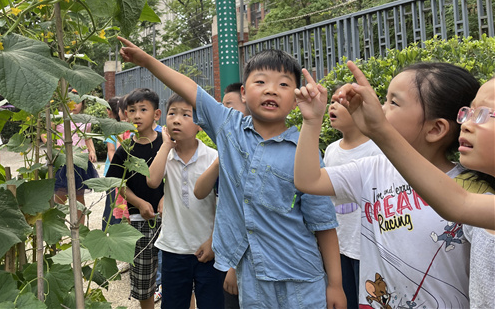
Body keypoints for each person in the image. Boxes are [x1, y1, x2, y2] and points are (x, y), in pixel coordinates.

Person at [117, 36, 346, 309]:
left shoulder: (305, 150)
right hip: (253, 280)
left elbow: (323, 222)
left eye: (284, 84)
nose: (271, 90)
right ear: (244, 94)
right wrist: (147, 61)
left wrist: (335, 284)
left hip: (301, 279)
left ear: (296, 98)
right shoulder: (229, 128)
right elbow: (191, 89)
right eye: (260, 82)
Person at [294, 63, 480, 308]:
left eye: (393, 103)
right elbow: (308, 179)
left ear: (436, 129)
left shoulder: (473, 191)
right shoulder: (373, 169)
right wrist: (311, 121)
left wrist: (378, 129)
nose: (380, 109)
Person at [147, 93, 224, 308]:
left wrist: (213, 241)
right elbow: (152, 181)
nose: (176, 119)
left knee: (212, 303)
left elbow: (222, 204)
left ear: (200, 124)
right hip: (173, 248)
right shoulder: (166, 156)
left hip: (207, 248)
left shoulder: (212, 157)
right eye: (172, 113)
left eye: (186, 115)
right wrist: (165, 146)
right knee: (173, 304)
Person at [323, 85, 382, 309]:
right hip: (337, 243)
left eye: (341, 102)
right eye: (333, 102)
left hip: (365, 246)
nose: (333, 106)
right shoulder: (331, 150)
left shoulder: (376, 150)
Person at [107, 88, 164, 309]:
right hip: (139, 220)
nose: (137, 115)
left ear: (156, 114)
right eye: (132, 110)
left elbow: (179, 176)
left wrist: (166, 198)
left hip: (171, 218)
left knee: (178, 274)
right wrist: (139, 203)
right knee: (143, 277)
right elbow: (118, 183)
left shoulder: (166, 144)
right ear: (125, 115)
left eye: (143, 109)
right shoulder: (125, 150)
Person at [194, 82, 248, 309]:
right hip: (227, 256)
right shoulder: (224, 156)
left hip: (243, 262)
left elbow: (247, 217)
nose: (223, 113)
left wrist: (235, 267)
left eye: (229, 107)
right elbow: (201, 192)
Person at [41, 90, 98, 225]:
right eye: (71, 101)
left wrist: (92, 151)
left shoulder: (86, 120)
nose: (75, 105)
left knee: (79, 197)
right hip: (62, 161)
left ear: (83, 104)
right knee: (59, 198)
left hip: (81, 161)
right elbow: (45, 135)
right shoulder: (58, 117)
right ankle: (58, 231)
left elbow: (87, 137)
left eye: (78, 102)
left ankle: (80, 229)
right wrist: (54, 147)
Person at [102, 96, 123, 230]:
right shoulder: (121, 127)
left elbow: (111, 151)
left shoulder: (112, 127)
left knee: (112, 203)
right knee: (114, 203)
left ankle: (108, 230)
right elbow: (112, 151)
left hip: (113, 172)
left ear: (109, 111)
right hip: (117, 172)